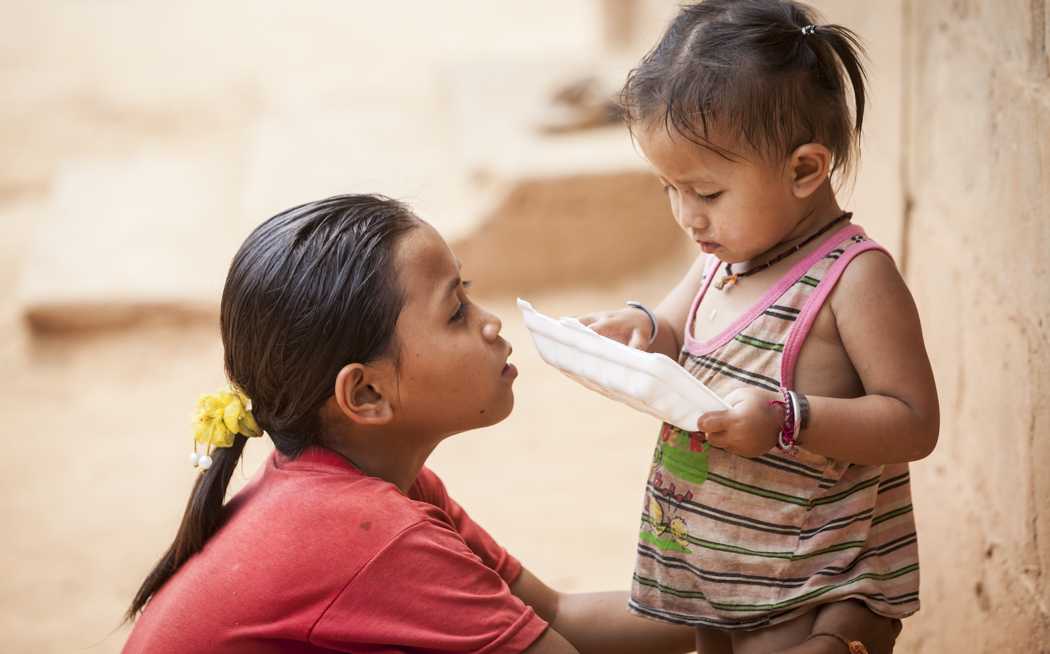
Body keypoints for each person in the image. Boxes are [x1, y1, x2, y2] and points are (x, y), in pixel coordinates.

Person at [122, 194, 902, 653]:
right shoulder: (373, 539)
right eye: (456, 313)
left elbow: (554, 614)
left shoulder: (369, 489)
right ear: (364, 397)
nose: (493, 324)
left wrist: (784, 600)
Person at [576, 0, 939, 654]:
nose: (687, 216)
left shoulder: (853, 280)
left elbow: (914, 421)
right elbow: (668, 327)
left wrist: (787, 419)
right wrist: (632, 329)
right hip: (721, 569)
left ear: (805, 169)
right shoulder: (722, 261)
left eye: (707, 192)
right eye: (670, 189)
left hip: (810, 579)